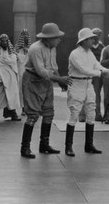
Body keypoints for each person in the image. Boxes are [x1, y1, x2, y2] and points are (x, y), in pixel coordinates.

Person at [65, 28, 109, 156]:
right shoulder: (75, 54)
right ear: (83, 40)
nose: (93, 40)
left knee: (91, 112)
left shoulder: (89, 53)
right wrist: (101, 74)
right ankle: (68, 146)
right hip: (77, 83)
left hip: (88, 84)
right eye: (90, 38)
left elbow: (96, 65)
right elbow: (83, 70)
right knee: (74, 114)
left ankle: (89, 145)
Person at [20, 23, 71, 158]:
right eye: (57, 37)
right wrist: (59, 80)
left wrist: (60, 81)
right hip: (32, 81)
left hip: (46, 82)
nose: (59, 40)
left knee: (48, 113)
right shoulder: (35, 48)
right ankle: (24, 148)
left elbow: (53, 66)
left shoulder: (52, 48)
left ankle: (44, 145)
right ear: (48, 38)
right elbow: (41, 71)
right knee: (33, 115)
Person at [0, 34, 21, 121]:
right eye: (3, 41)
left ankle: (14, 115)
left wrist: (2, 61)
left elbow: (13, 61)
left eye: (6, 41)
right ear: (0, 42)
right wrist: (5, 62)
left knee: (11, 96)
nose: (4, 42)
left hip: (10, 78)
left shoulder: (12, 52)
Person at [15, 29, 30, 116]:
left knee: (29, 91)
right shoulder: (17, 49)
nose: (25, 37)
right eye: (23, 35)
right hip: (20, 71)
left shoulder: (31, 48)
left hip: (29, 71)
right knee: (21, 91)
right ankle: (23, 109)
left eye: (27, 35)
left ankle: (29, 108)